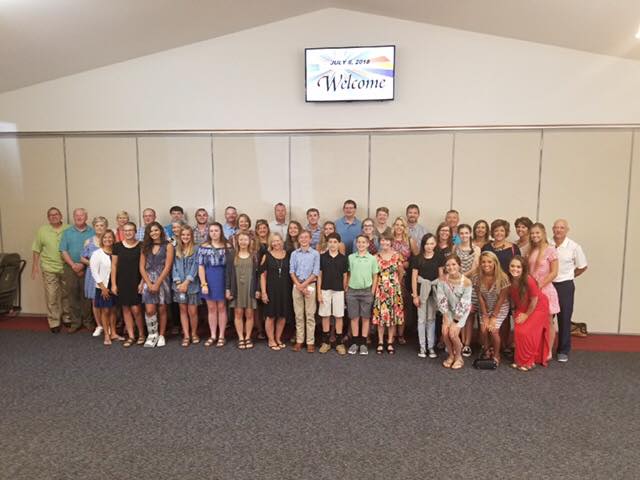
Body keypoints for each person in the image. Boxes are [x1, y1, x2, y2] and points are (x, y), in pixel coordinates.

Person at [551, 219, 588, 363]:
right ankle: (544, 348)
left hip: (565, 286)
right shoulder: (547, 243)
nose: (558, 230)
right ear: (552, 229)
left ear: (567, 230)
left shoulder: (574, 247)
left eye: (562, 228)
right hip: (548, 284)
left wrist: (569, 276)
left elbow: (582, 266)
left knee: (564, 318)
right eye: (556, 227)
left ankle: (563, 350)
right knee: (546, 318)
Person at [482, 219, 521, 352]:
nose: (499, 233)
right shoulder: (487, 247)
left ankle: (503, 345)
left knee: (505, 316)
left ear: (506, 232)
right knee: (489, 314)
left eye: (502, 230)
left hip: (507, 286)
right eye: (496, 230)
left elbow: (518, 267)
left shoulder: (513, 248)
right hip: (489, 287)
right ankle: (489, 346)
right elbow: (482, 265)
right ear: (492, 232)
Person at [507, 256, 551, 371]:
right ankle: (519, 360)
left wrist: (526, 315)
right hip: (522, 307)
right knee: (518, 332)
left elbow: (534, 300)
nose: (515, 269)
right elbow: (513, 297)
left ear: (523, 268)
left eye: (518, 267)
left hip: (537, 307)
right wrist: (514, 311)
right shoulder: (509, 279)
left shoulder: (528, 280)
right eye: (512, 266)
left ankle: (529, 362)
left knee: (526, 332)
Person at [31, 207, 70, 333]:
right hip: (49, 268)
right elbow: (36, 249)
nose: (54, 216)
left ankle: (67, 317)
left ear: (61, 216)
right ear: (48, 218)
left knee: (67, 294)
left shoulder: (69, 228)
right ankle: (54, 321)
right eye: (51, 215)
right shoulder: (42, 230)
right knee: (52, 296)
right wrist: (35, 266)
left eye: (56, 214)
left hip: (66, 267)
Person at [59, 208, 95, 333]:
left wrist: (82, 265)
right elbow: (63, 250)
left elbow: (96, 250)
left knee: (87, 296)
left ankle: (88, 321)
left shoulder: (92, 231)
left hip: (88, 268)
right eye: (77, 215)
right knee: (72, 296)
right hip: (70, 268)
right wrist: (73, 265)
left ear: (86, 217)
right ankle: (75, 322)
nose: (79, 217)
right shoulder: (67, 232)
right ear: (74, 217)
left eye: (82, 215)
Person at [528, 222, 560, 359]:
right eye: (532, 233)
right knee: (533, 321)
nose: (534, 235)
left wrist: (539, 285)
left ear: (543, 233)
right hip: (532, 290)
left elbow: (554, 272)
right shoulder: (531, 250)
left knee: (548, 321)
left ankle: (548, 350)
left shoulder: (551, 250)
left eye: (537, 233)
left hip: (545, 290)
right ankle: (535, 348)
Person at [140, 221, 174, 348]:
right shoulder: (145, 246)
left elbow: (168, 266)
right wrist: (149, 283)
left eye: (156, 230)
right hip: (148, 279)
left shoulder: (168, 246)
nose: (154, 233)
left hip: (163, 279)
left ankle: (161, 335)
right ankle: (152, 334)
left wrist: (157, 283)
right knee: (150, 310)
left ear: (161, 231)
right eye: (151, 231)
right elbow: (141, 267)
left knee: (162, 308)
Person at [411, 233, 445, 358]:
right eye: (427, 244)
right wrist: (415, 296)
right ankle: (422, 347)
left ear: (435, 244)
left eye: (432, 243)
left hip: (433, 293)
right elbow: (414, 278)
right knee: (421, 320)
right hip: (421, 293)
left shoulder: (439, 257)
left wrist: (441, 295)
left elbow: (441, 277)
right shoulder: (417, 258)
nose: (429, 246)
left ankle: (431, 347)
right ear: (423, 245)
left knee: (431, 319)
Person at [474, 251, 510, 365]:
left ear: (495, 263)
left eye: (489, 262)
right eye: (483, 262)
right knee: (484, 330)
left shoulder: (503, 278)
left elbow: (501, 299)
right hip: (485, 307)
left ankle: (496, 354)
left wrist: (493, 317)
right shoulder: (477, 278)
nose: (486, 264)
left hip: (500, 307)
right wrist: (485, 315)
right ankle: (486, 350)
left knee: (493, 330)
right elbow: (480, 297)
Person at [111, 221, 144, 347]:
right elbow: (114, 265)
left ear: (135, 232)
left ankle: (141, 334)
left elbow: (145, 266)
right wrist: (113, 284)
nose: (128, 232)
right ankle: (131, 336)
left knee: (136, 309)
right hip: (122, 281)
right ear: (122, 232)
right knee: (125, 308)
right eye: (126, 230)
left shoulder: (141, 246)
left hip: (136, 280)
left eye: (130, 230)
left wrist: (142, 282)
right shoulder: (117, 246)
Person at [198, 222, 231, 347]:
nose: (214, 233)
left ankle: (221, 335)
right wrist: (203, 284)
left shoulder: (228, 246)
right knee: (211, 308)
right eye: (211, 231)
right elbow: (201, 266)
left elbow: (230, 266)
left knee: (222, 307)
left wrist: (229, 286)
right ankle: (212, 335)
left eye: (216, 230)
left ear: (221, 231)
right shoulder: (203, 247)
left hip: (223, 277)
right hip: (209, 278)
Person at [437, 255, 473, 369]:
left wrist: (455, 321)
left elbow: (464, 303)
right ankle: (451, 355)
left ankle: (458, 357)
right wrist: (446, 317)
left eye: (453, 264)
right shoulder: (442, 280)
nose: (451, 267)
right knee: (445, 332)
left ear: (459, 265)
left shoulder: (466, 282)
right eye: (448, 265)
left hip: (461, 312)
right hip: (448, 310)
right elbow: (441, 298)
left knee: (453, 333)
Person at [346, 235, 379, 355]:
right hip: (352, 291)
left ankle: (364, 343)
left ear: (368, 244)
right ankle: (355, 342)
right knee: (354, 317)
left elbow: (375, 276)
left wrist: (372, 291)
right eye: (359, 242)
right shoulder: (351, 257)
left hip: (366, 291)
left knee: (365, 317)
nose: (361, 244)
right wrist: (346, 288)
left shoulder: (372, 259)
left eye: (363, 242)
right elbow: (348, 273)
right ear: (356, 244)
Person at [226, 231, 259, 350]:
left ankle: (248, 337)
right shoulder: (232, 255)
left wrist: (258, 289)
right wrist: (228, 289)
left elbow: (258, 275)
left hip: (250, 288)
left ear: (249, 241)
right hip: (237, 288)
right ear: (237, 241)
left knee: (249, 314)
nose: (243, 242)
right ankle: (241, 337)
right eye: (241, 240)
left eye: (245, 239)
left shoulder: (254, 255)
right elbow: (228, 274)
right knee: (238, 313)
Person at [372, 235, 404, 355]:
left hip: (394, 290)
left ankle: (390, 341)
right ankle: (380, 341)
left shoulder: (397, 256)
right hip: (380, 289)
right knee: (381, 316)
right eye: (382, 240)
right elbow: (374, 274)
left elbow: (401, 273)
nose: (385, 242)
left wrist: (395, 284)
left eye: (387, 240)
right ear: (380, 242)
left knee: (392, 316)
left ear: (391, 242)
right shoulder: (376, 257)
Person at [317, 232, 348, 355]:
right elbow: (319, 275)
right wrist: (319, 292)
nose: (332, 244)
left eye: (335, 242)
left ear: (339, 243)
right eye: (330, 242)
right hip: (325, 289)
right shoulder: (322, 257)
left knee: (338, 316)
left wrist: (344, 290)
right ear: (327, 243)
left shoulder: (343, 258)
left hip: (338, 290)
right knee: (325, 315)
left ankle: (339, 343)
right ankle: (326, 342)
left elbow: (345, 276)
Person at [260, 233, 292, 350]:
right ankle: (271, 339)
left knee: (282, 316)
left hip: (285, 289)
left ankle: (278, 338)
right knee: (271, 316)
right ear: (270, 243)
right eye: (273, 241)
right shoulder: (266, 256)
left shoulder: (288, 255)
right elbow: (262, 276)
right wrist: (264, 292)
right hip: (271, 290)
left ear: (282, 241)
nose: (276, 243)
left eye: (278, 240)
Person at [290, 230, 320, 352]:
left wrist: (304, 285)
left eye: (306, 237)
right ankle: (299, 340)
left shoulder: (315, 254)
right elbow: (292, 271)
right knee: (298, 314)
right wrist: (299, 285)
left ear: (310, 239)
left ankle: (310, 342)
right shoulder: (294, 254)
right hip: (297, 286)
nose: (304, 239)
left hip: (310, 285)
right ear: (298, 240)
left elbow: (316, 272)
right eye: (301, 237)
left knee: (310, 314)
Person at [454, 224, 481, 357]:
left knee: (469, 315)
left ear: (470, 234)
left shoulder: (476, 249)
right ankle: (458, 342)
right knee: (458, 314)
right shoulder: (455, 247)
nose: (464, 235)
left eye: (466, 233)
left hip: (470, 284)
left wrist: (462, 278)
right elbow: (454, 265)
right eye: (462, 233)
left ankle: (467, 344)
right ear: (458, 235)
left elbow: (475, 268)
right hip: (457, 285)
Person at [90, 229, 120, 346]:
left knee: (113, 310)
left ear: (113, 239)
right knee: (105, 310)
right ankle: (106, 335)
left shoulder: (116, 252)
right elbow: (94, 272)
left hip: (114, 285)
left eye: (110, 237)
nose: (108, 239)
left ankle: (114, 333)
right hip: (102, 286)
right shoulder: (97, 253)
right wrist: (103, 287)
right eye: (105, 237)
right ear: (102, 239)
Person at [172, 225, 201, 347]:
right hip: (178, 286)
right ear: (180, 236)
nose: (185, 237)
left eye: (188, 235)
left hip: (192, 285)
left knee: (192, 311)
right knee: (183, 310)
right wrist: (178, 282)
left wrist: (186, 282)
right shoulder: (175, 249)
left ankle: (194, 333)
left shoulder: (196, 248)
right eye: (183, 235)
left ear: (192, 236)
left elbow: (196, 266)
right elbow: (173, 266)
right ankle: (186, 335)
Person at [391, 216, 417, 344]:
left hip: (405, 277)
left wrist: (408, 264)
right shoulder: (389, 240)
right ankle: (392, 333)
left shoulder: (410, 240)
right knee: (392, 305)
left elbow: (416, 259)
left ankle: (401, 334)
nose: (399, 227)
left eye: (401, 225)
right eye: (397, 224)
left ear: (405, 227)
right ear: (393, 226)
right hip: (391, 276)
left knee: (403, 306)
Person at [80, 216, 108, 337]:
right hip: (92, 275)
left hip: (107, 274)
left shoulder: (109, 240)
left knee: (107, 300)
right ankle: (99, 325)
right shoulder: (89, 241)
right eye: (97, 225)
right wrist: (93, 264)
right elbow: (82, 258)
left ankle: (108, 326)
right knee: (95, 301)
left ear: (106, 227)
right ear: (94, 227)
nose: (99, 228)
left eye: (102, 225)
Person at [254, 218, 271, 340]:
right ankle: (260, 330)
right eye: (260, 228)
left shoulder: (272, 242)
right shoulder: (253, 244)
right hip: (257, 275)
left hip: (270, 276)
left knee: (268, 303)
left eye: (264, 228)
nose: (262, 230)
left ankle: (268, 328)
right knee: (258, 304)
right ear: (256, 230)